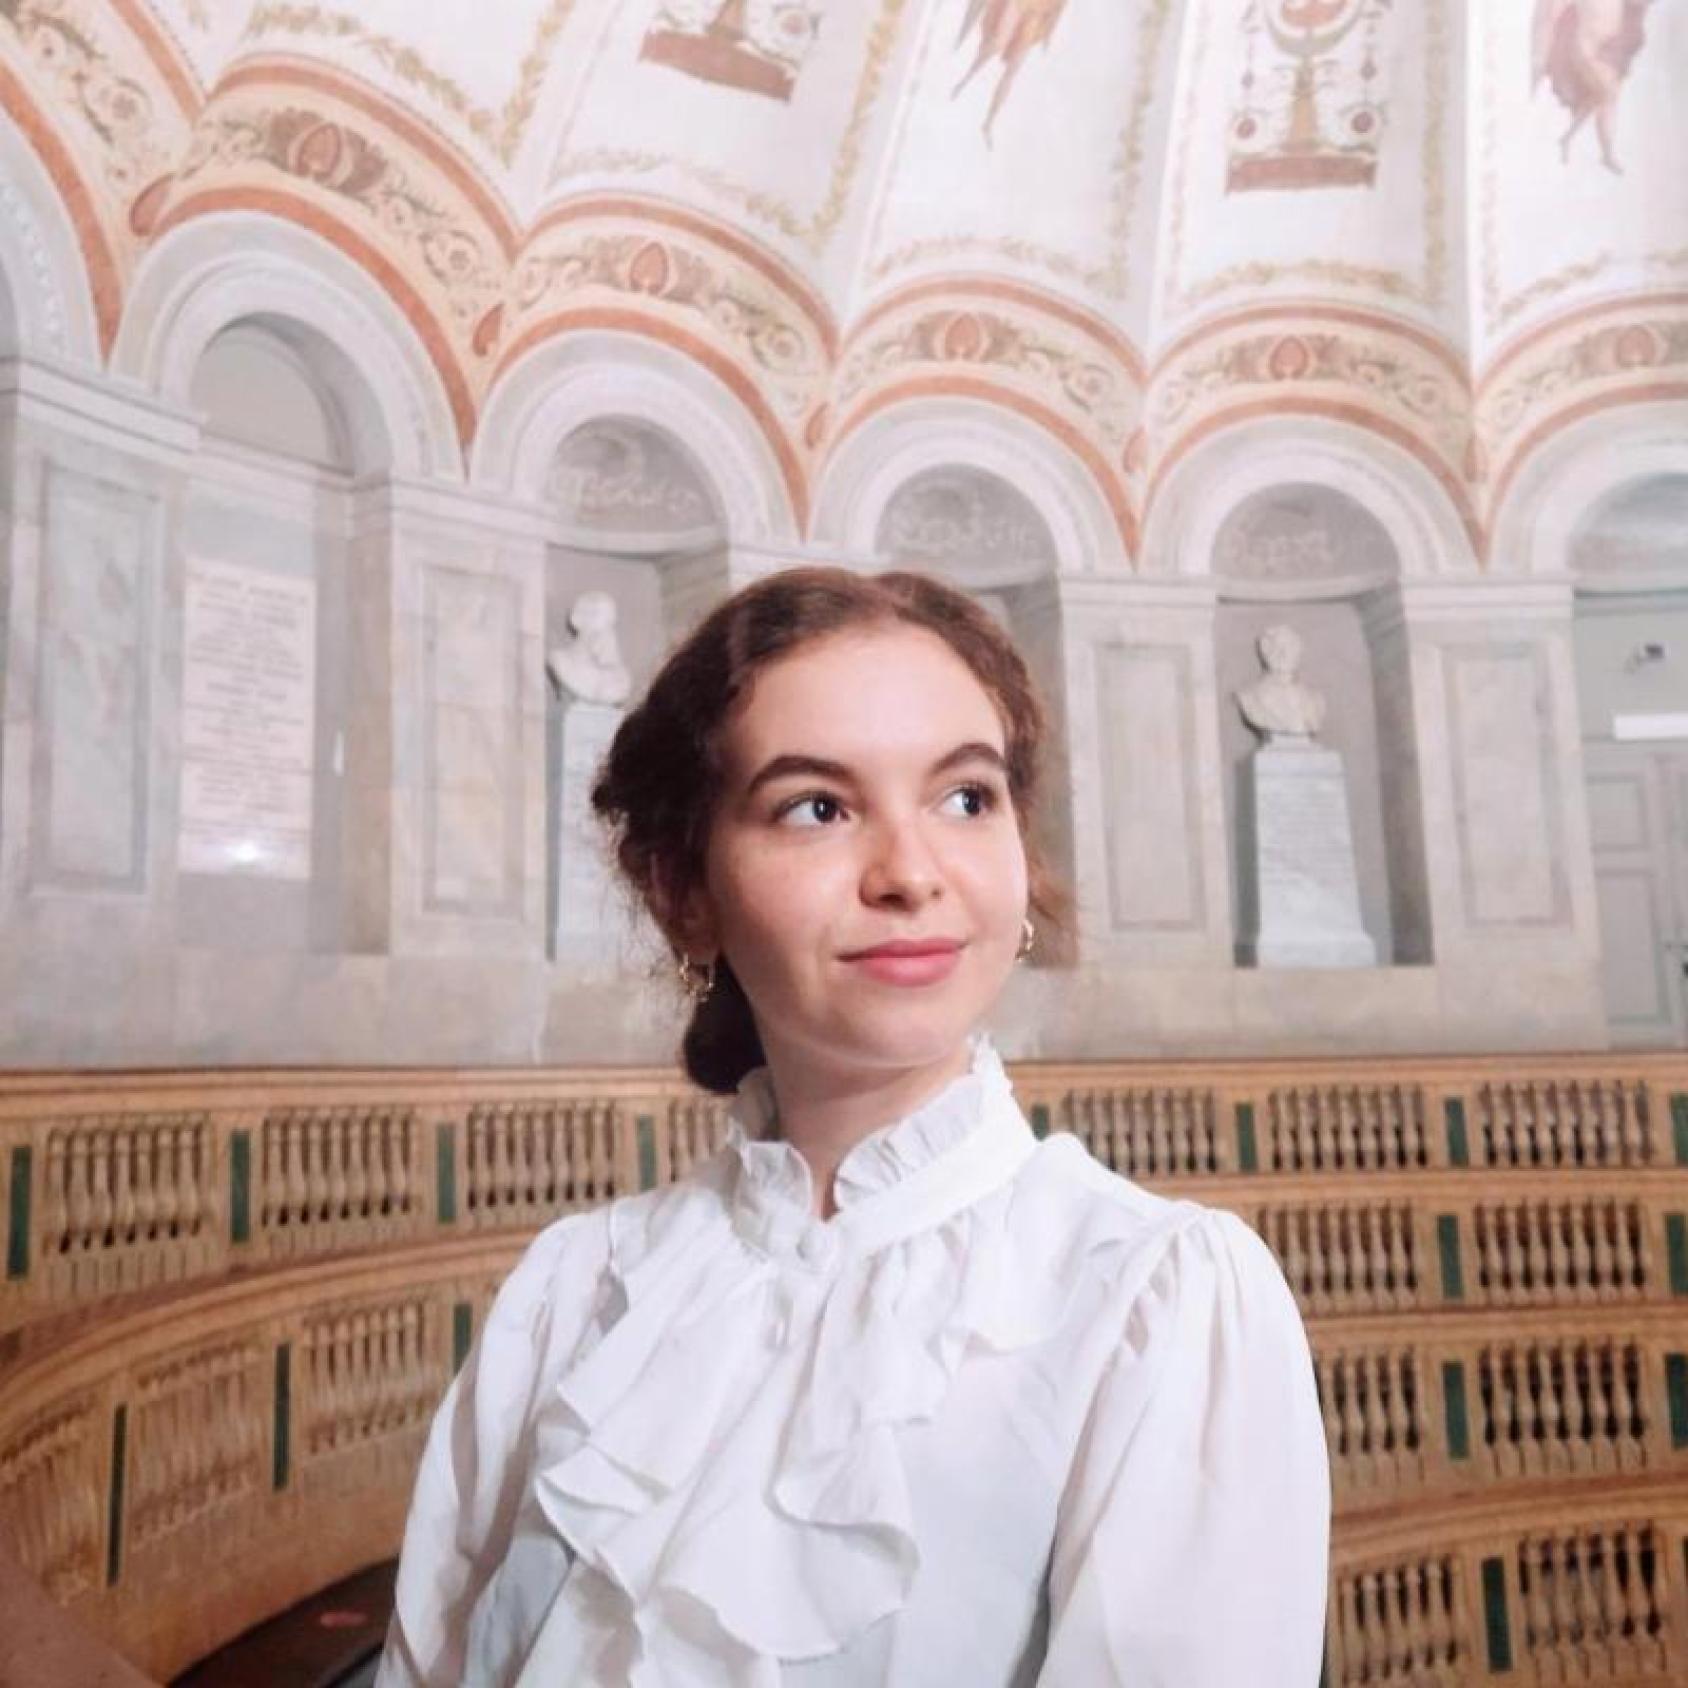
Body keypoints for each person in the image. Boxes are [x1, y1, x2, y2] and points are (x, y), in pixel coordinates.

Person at [375, 566, 1330, 1686]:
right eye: (816, 806)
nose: (910, 872)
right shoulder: (573, 1292)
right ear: (683, 888)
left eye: (965, 797)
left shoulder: (1155, 1300)